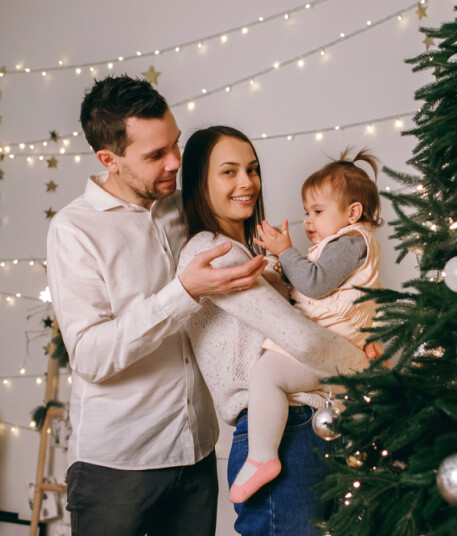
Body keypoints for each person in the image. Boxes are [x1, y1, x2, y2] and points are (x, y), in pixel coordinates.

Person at [46, 76, 267, 536]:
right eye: (154, 155)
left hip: (198, 451)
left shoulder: (179, 208)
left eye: (176, 144)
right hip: (117, 468)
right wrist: (182, 293)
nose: (174, 163)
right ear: (108, 159)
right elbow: (89, 355)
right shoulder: (74, 230)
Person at [177, 126, 377, 535]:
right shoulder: (210, 252)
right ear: (200, 181)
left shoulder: (253, 255)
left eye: (252, 169)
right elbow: (301, 339)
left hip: (317, 420)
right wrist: (367, 370)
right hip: (285, 431)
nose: (247, 182)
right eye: (228, 172)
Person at [228, 148, 383, 503]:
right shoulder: (339, 245)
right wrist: (277, 262)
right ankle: (263, 455)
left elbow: (314, 283)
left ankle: (263, 457)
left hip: (328, 348)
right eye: (305, 213)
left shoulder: (350, 241)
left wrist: (286, 251)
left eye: (317, 212)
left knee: (266, 376)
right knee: (269, 375)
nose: (308, 221)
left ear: (352, 213)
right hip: (330, 348)